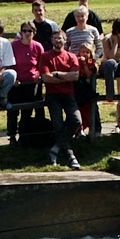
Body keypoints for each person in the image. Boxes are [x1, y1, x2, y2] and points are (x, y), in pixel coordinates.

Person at [39, 30, 82, 170]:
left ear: (65, 40)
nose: (58, 41)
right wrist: (65, 77)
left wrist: (57, 74)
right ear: (52, 40)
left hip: (69, 95)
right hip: (53, 96)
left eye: (61, 38)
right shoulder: (45, 57)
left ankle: (55, 149)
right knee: (58, 125)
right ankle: (70, 155)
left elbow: (75, 76)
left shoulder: (71, 57)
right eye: (55, 38)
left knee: (76, 120)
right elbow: (45, 78)